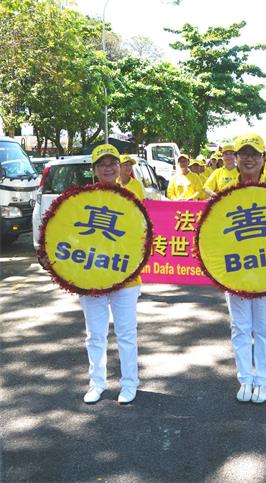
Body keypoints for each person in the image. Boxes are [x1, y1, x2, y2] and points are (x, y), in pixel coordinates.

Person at [223, 133, 266, 404]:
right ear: (235, 159)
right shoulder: (225, 191)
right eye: (244, 154)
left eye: (255, 154)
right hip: (235, 271)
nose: (249, 159)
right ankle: (244, 379)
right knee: (240, 327)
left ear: (263, 159)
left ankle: (262, 381)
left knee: (264, 328)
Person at [80, 144, 142, 405]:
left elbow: (144, 234)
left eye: (112, 162)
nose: (108, 167)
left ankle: (129, 383)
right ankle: (97, 382)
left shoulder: (131, 198)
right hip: (91, 276)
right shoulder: (80, 199)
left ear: (119, 167)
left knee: (126, 333)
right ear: (94, 169)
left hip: (126, 277)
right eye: (102, 163)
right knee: (95, 334)